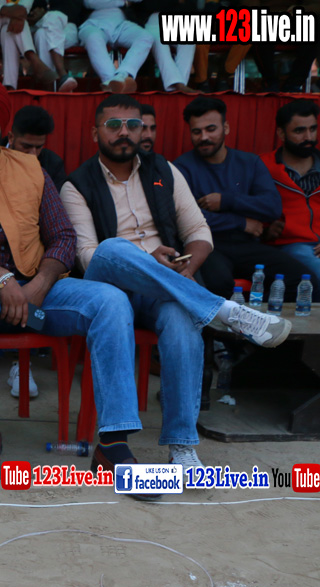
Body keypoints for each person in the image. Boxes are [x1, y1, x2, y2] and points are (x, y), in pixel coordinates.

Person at [0, 76, 142, 483]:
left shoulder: (32, 168)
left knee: (111, 301)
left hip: (37, 291)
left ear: (2, 124)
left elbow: (63, 237)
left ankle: (113, 441)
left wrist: (39, 285)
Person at [59, 94, 291, 470]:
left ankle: (182, 447)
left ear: (143, 130)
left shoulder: (164, 171)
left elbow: (198, 230)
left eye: (133, 125)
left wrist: (187, 267)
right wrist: (145, 259)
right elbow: (86, 255)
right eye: (113, 125)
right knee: (114, 248)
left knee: (182, 319)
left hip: (164, 286)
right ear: (95, 132)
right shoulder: (76, 185)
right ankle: (225, 311)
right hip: (111, 287)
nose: (124, 132)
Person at [175, 96, 310, 300]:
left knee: (302, 280)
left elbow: (272, 207)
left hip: (248, 245)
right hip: (208, 246)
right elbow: (187, 218)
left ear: (226, 128)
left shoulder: (249, 162)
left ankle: (262, 319)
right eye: (197, 132)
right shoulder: (181, 167)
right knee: (218, 283)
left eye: (211, 129)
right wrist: (241, 222)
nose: (204, 137)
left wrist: (227, 201)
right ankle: (227, 322)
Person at [260, 99, 320, 283]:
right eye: (299, 131)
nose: (308, 137)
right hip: (289, 245)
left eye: (313, 129)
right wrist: (266, 231)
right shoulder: (262, 166)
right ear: (281, 133)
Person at [0, 0, 56, 89]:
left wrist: (16, 14)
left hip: (11, 26)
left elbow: (24, 8)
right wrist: (9, 10)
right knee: (15, 18)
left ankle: (9, 85)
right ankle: (32, 57)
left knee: (8, 30)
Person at [77, 0, 152, 92]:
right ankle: (111, 81)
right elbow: (90, 3)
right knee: (93, 38)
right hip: (93, 23)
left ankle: (121, 76)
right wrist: (124, 2)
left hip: (121, 22)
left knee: (145, 36)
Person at [136, 0, 197, 93]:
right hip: (151, 20)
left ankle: (180, 84)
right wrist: (176, 2)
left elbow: (191, 6)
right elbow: (148, 5)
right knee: (159, 42)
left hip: (175, 19)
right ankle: (177, 84)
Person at [30, 0, 86, 92]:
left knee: (52, 17)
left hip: (67, 27)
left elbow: (72, 10)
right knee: (41, 33)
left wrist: (45, 13)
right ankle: (62, 77)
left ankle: (50, 86)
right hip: (40, 26)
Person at [7, 104, 66, 190]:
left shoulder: (53, 165)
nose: (33, 154)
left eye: (39, 147)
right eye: (26, 146)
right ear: (11, 138)